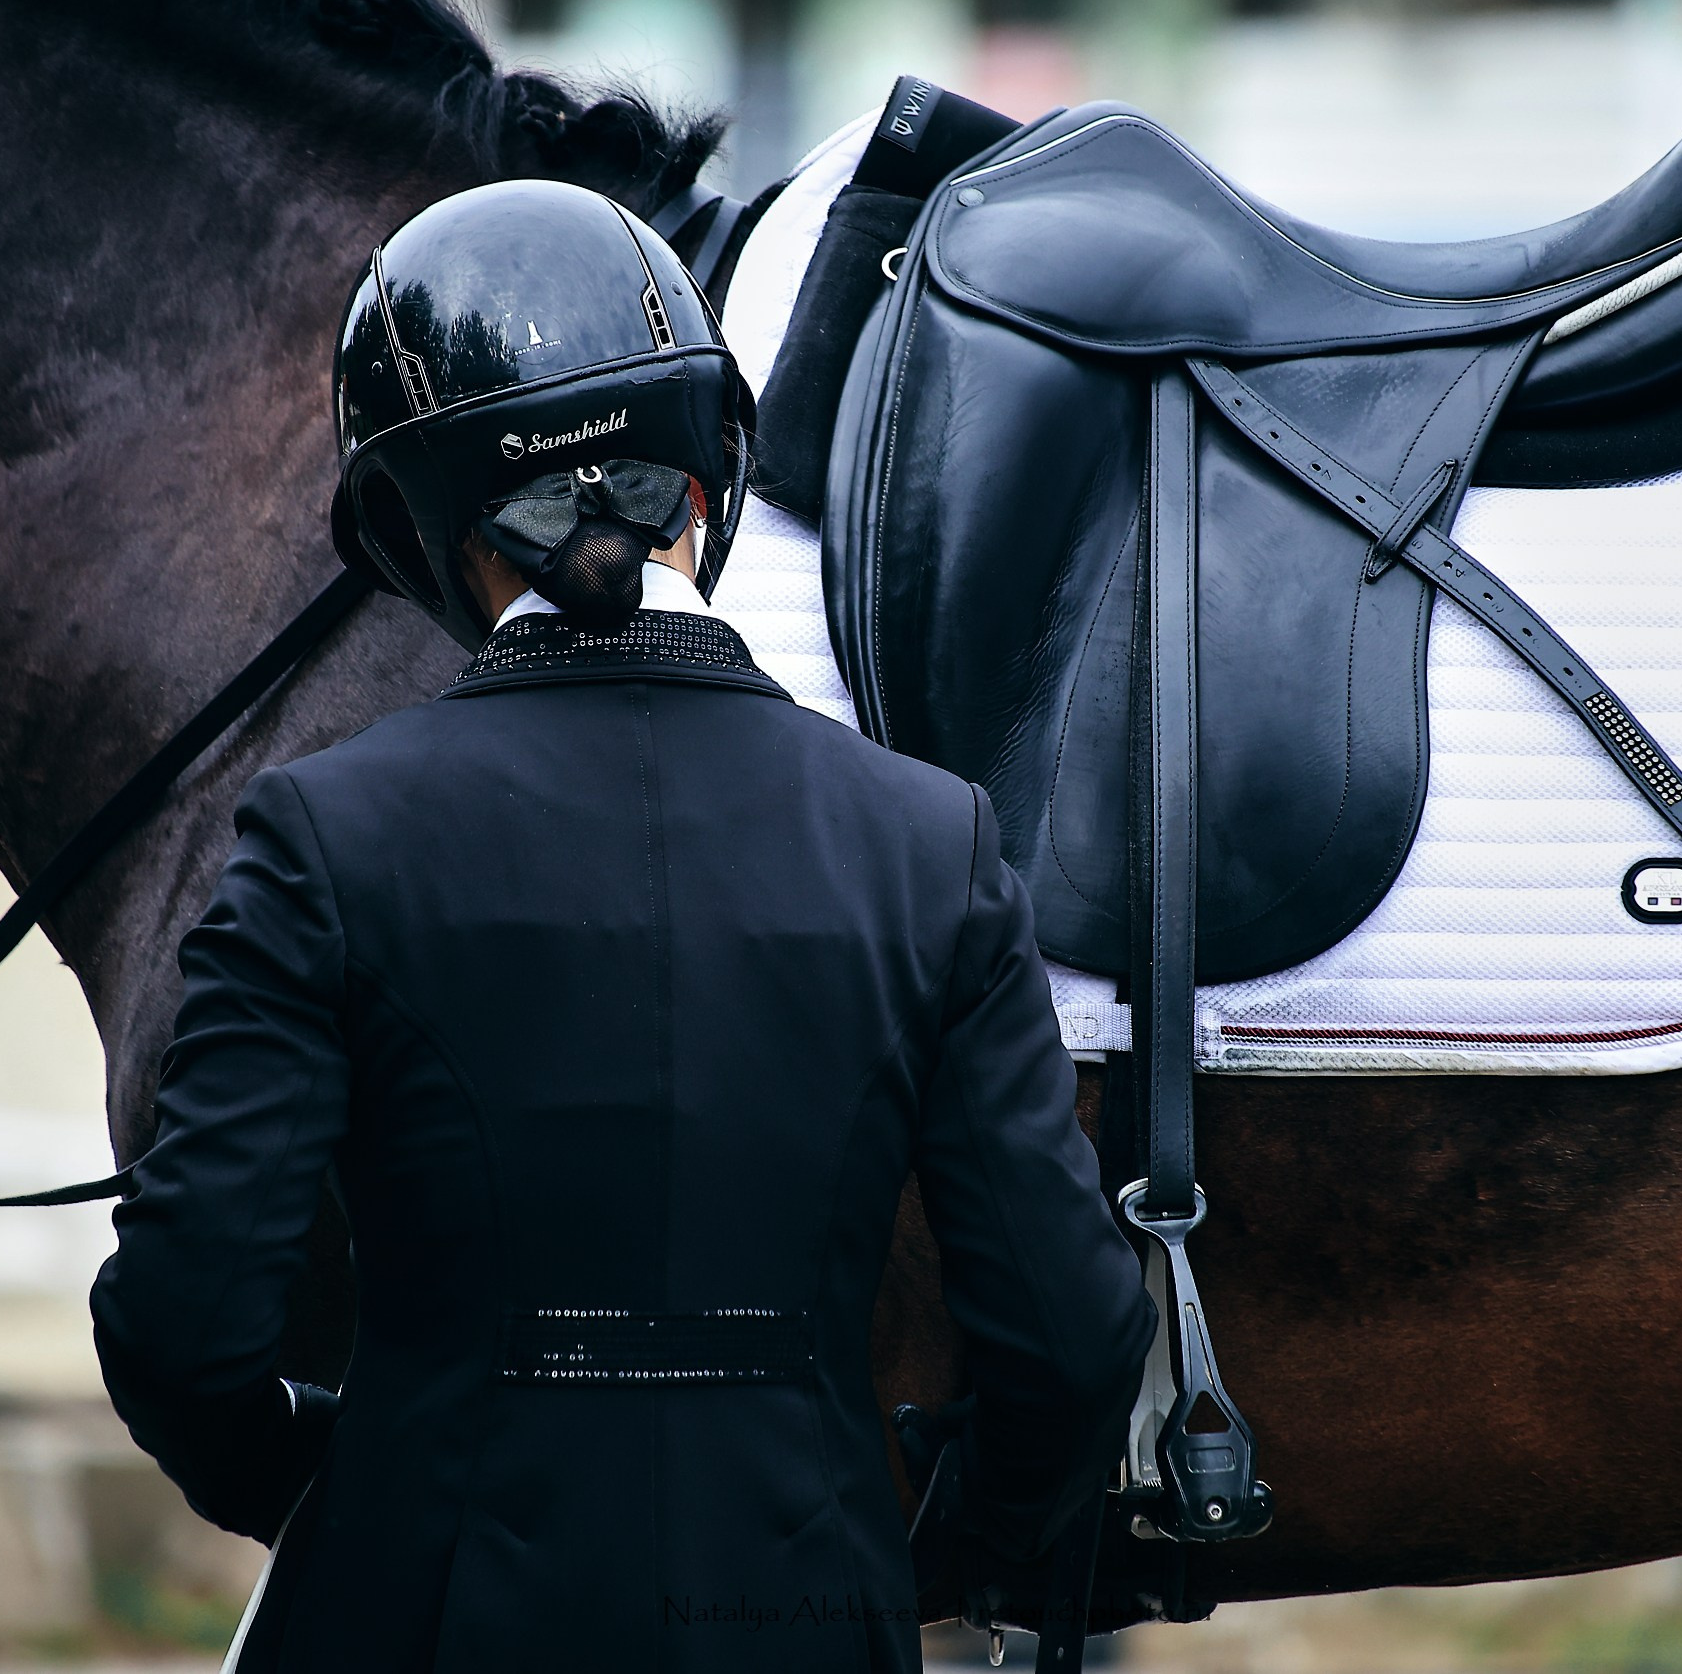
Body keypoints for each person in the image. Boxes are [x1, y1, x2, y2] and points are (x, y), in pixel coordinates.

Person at [89, 179, 1155, 1674]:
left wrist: (332, 1488)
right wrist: (946, 1550)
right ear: (709, 476)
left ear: (423, 530)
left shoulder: (324, 839)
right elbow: (1074, 1332)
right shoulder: (931, 844)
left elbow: (182, 1323)